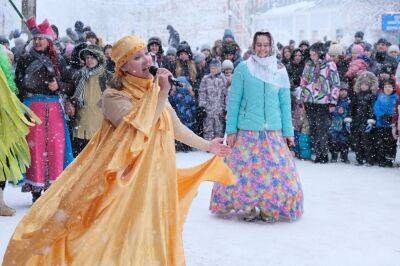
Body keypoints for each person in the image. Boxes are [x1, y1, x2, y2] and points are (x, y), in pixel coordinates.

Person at [3, 35, 233, 266]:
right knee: (117, 233)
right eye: (137, 57)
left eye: (146, 53)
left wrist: (207, 145)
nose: (146, 59)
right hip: (124, 179)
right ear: (122, 66)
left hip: (155, 177)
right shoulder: (113, 95)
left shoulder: (152, 89)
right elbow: (139, 131)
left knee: (150, 231)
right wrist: (161, 93)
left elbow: (175, 127)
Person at [210, 31, 303, 222]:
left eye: (266, 44)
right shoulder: (243, 69)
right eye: (258, 44)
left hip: (273, 132)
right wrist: (231, 130)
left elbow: (285, 104)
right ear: (253, 46)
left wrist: (288, 132)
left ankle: (270, 207)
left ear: (271, 46)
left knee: (275, 172)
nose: (262, 48)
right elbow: (233, 101)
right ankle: (247, 206)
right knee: (245, 173)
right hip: (247, 131)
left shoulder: (279, 69)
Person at [16, 17, 74, 202]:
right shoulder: (25, 59)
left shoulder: (59, 60)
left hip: (55, 108)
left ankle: (53, 190)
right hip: (33, 107)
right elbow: (19, 83)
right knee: (35, 148)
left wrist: (59, 87)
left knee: (56, 147)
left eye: (42, 39)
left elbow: (71, 84)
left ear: (49, 41)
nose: (38, 42)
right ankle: (36, 190)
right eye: (36, 39)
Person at [0, 46, 40, 216]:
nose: (11, 63)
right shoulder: (2, 80)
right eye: (8, 60)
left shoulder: (6, 81)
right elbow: (7, 103)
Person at [298, 42, 340, 163]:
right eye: (311, 54)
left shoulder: (330, 64)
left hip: (324, 101)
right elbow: (303, 82)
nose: (312, 56)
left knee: (322, 128)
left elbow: (335, 83)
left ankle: (324, 154)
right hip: (310, 100)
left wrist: (333, 102)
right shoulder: (308, 64)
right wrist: (302, 99)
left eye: (314, 54)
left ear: (320, 53)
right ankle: (317, 152)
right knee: (314, 128)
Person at [70, 44, 112, 156]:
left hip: (100, 124)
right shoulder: (79, 75)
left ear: (99, 58)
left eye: (92, 57)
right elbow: (70, 93)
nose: (89, 60)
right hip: (81, 123)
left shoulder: (107, 76)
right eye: (87, 58)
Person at [351, 71, 378, 165]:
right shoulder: (356, 95)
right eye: (362, 84)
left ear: (370, 86)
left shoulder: (372, 96)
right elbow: (352, 107)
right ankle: (359, 158)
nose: (363, 86)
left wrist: (371, 119)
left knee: (367, 141)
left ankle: (369, 159)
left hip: (366, 121)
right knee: (357, 141)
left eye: (366, 84)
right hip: (357, 121)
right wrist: (351, 117)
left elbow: (372, 109)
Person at [198, 59, 228, 140]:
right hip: (208, 108)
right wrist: (202, 106)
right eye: (211, 68)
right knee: (208, 127)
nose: (213, 70)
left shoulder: (223, 79)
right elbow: (202, 93)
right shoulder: (206, 79)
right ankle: (208, 144)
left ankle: (218, 144)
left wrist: (226, 108)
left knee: (219, 127)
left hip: (219, 108)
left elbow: (226, 94)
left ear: (219, 69)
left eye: (215, 68)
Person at [372, 77, 398, 167]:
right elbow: (376, 108)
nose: (388, 89)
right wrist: (382, 115)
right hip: (381, 124)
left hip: (392, 126)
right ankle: (381, 159)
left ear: (393, 88)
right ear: (383, 88)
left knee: (391, 143)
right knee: (381, 142)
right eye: (386, 87)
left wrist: (392, 116)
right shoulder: (380, 97)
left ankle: (389, 159)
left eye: (390, 87)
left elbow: (397, 109)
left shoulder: (396, 98)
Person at [328, 82, 351, 163]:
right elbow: (331, 110)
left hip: (344, 125)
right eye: (341, 90)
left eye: (345, 90)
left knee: (344, 141)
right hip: (334, 124)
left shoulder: (348, 101)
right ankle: (334, 156)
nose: (343, 92)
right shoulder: (333, 100)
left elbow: (350, 112)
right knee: (333, 140)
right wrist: (335, 111)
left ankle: (344, 156)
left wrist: (346, 115)